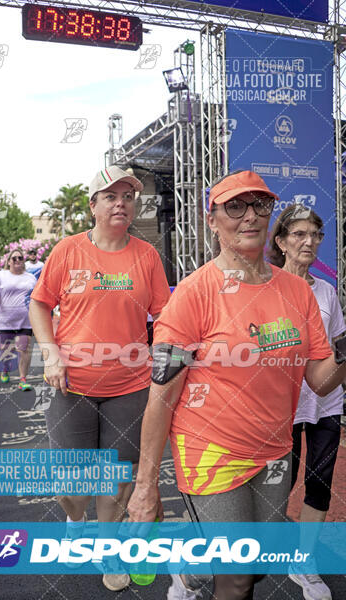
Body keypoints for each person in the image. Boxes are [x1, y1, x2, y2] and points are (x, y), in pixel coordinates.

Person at [127, 170, 346, 600]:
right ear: (212, 220)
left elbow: (321, 382)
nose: (250, 216)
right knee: (237, 576)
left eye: (260, 205)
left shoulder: (297, 292)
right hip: (209, 450)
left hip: (274, 451)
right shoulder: (193, 294)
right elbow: (161, 397)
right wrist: (146, 485)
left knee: (258, 564)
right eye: (235, 207)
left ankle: (188, 568)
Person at [29, 165, 171, 592]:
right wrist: (51, 354)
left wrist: (164, 350)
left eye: (128, 196)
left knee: (115, 480)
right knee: (69, 486)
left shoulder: (146, 256)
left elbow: (164, 314)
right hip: (71, 386)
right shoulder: (68, 251)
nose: (121, 203)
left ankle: (109, 551)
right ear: (93, 206)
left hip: (129, 388)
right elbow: (39, 305)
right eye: (110, 196)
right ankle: (75, 520)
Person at [269, 205, 345, 600]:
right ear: (280, 242)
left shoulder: (327, 291)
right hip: (278, 407)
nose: (309, 242)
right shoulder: (264, 288)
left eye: (314, 235)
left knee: (318, 485)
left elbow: (336, 348)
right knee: (276, 489)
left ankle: (304, 561)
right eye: (298, 234)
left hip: (325, 404)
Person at [0, 248, 37, 391]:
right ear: (9, 261)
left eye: (20, 258)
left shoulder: (30, 278)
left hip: (25, 320)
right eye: (14, 258)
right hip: (5, 321)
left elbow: (36, 296)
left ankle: (23, 379)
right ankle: (5, 368)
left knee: (24, 348)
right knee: (6, 350)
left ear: (23, 261)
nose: (17, 260)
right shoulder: (1, 276)